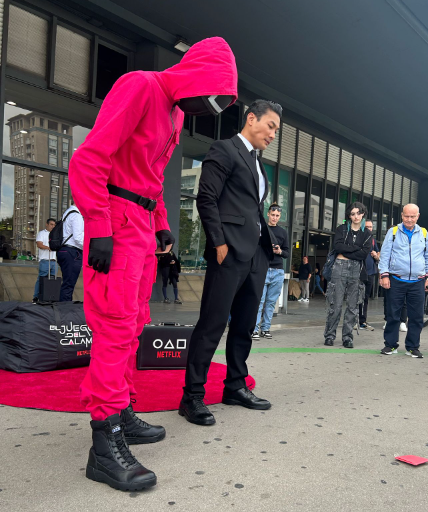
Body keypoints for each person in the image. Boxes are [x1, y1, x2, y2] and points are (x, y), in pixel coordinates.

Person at [69, 37, 237, 491]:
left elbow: (152, 173)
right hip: (118, 223)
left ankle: (120, 411)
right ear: (197, 75)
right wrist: (99, 226)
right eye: (215, 94)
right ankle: (104, 446)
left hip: (141, 224)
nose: (214, 107)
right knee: (115, 324)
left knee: (135, 322)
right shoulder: (141, 86)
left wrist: (161, 221)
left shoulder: (177, 111)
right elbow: (88, 160)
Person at [179, 99, 281, 427]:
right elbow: (206, 198)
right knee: (212, 324)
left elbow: (252, 210)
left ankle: (235, 386)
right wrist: (218, 243)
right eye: (270, 126)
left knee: (244, 327)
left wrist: (269, 244)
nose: (273, 134)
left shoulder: (257, 162)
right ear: (251, 119)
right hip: (228, 253)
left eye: (276, 130)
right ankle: (192, 396)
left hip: (256, 256)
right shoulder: (224, 149)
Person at [378, 204, 428, 358]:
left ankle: (412, 347)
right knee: (393, 315)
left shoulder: (423, 233)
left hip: (418, 281)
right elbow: (385, 255)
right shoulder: (393, 231)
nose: (409, 220)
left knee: (416, 317)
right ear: (402, 215)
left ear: (418, 216)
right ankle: (390, 345)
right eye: (406, 216)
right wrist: (384, 275)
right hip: (396, 279)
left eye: (413, 216)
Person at [324, 202, 372, 347]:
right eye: (353, 213)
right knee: (335, 304)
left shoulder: (367, 233)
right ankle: (330, 335)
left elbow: (364, 253)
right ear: (349, 215)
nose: (356, 216)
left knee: (353, 305)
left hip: (356, 269)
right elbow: (337, 246)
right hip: (339, 267)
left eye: (358, 213)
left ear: (363, 213)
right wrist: (355, 249)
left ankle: (347, 337)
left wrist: (347, 251)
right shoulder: (342, 229)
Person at [253, 203, 289, 339]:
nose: (274, 218)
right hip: (263, 269)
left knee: (271, 302)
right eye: (272, 215)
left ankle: (266, 328)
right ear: (268, 214)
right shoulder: (261, 229)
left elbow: (286, 253)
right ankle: (254, 329)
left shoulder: (283, 232)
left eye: (277, 216)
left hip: (278, 271)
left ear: (280, 217)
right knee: (259, 301)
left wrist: (279, 251)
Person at [57, 204, 84, 302]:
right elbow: (78, 238)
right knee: (69, 284)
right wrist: (90, 248)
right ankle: (65, 309)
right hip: (72, 252)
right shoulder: (76, 216)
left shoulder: (66, 214)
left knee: (67, 282)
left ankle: (64, 307)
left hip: (63, 250)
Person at [358, 219, 379, 331]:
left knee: (365, 298)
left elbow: (378, 255)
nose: (369, 229)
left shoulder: (373, 241)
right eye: (367, 227)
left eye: (370, 227)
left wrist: (376, 255)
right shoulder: (358, 239)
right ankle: (354, 320)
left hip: (370, 273)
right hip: (359, 273)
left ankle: (362, 321)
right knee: (357, 297)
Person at [33, 218, 56, 303]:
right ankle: (36, 297)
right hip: (45, 260)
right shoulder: (42, 233)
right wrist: (49, 248)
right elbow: (39, 244)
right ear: (47, 224)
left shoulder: (55, 235)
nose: (53, 226)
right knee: (41, 279)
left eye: (54, 225)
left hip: (53, 260)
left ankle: (50, 297)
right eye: (51, 224)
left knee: (53, 279)